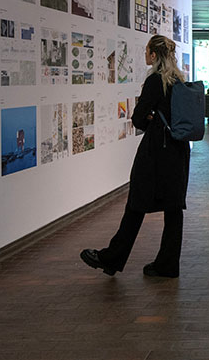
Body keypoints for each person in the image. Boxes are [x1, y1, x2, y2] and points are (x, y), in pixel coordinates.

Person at [80, 35, 190, 278]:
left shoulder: (155, 81)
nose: (145, 55)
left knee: (136, 203)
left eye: (147, 51)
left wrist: (149, 118)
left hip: (156, 151)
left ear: (153, 55)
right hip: (178, 150)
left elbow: (138, 118)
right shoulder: (179, 80)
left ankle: (112, 257)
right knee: (173, 209)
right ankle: (168, 264)